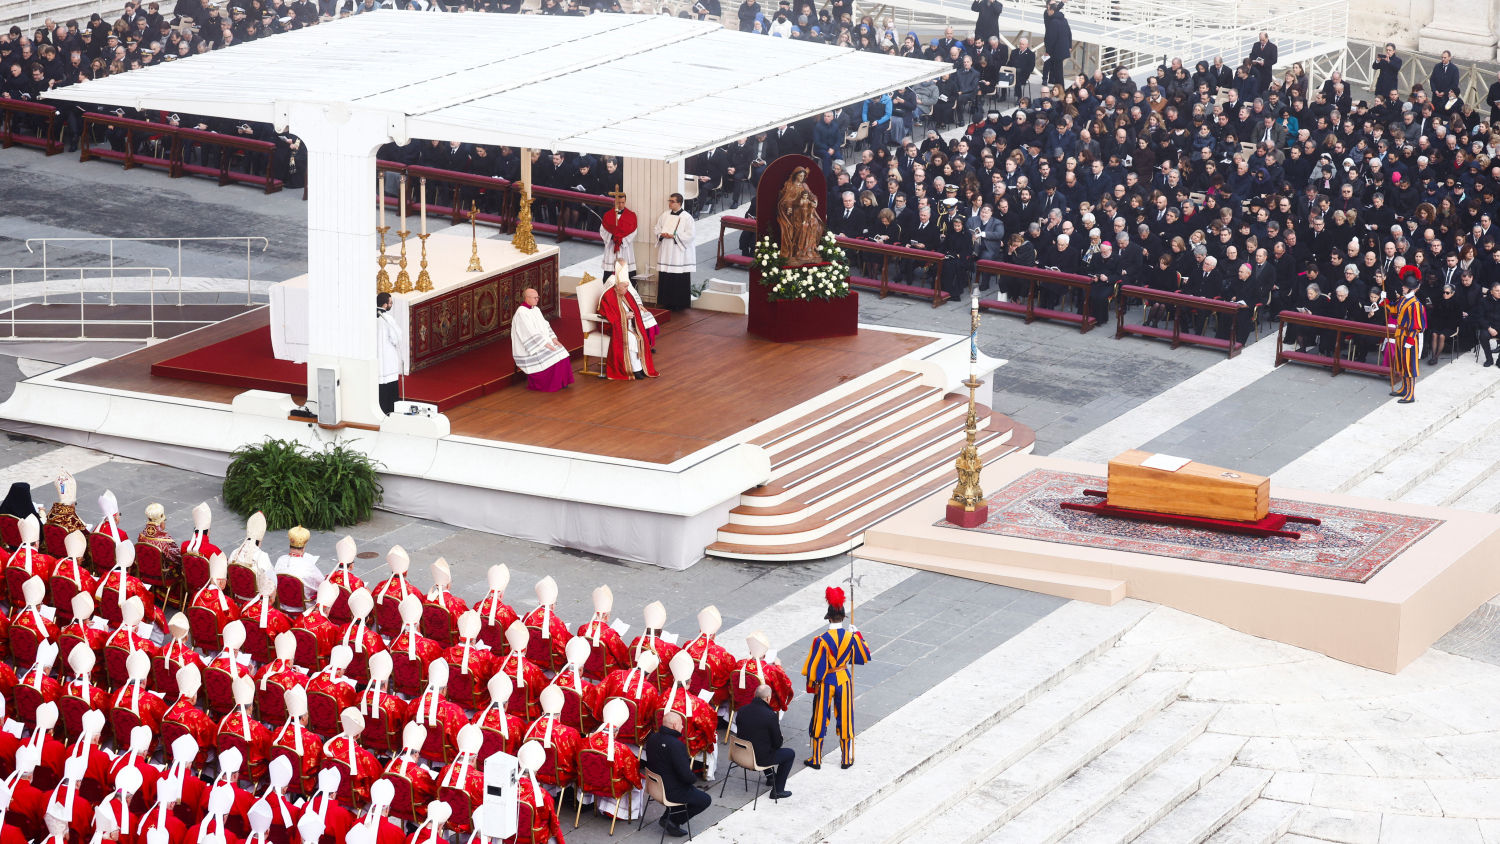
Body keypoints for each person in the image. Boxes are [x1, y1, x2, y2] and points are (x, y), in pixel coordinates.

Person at [802, 586, 869, 770]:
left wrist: (812, 685)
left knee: (819, 717)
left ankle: (816, 758)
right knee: (846, 716)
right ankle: (846, 758)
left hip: (826, 681)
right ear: (843, 617)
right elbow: (863, 657)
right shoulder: (851, 637)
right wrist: (858, 635)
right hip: (844, 679)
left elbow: (814, 667)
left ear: (829, 617)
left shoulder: (821, 639)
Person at [644, 711, 710, 838]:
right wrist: (692, 780)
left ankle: (668, 817)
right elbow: (686, 776)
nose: (682, 727)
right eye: (681, 724)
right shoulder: (676, 745)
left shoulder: (652, 738)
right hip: (670, 791)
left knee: (689, 791)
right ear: (674, 725)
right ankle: (672, 820)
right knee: (704, 799)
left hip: (654, 786)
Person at [734, 684, 794, 799]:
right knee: (789, 754)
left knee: (761, 745)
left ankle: (771, 777)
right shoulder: (770, 716)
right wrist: (779, 736)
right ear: (767, 698)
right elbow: (777, 744)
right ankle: (778, 790)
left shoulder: (741, 711)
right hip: (758, 759)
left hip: (740, 754)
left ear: (755, 695)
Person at [510, 287, 575, 393]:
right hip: (532, 347)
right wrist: (545, 344)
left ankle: (562, 382)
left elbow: (545, 325)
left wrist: (553, 339)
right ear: (527, 298)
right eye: (535, 297)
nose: (537, 299)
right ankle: (549, 384)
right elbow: (528, 333)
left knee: (563, 353)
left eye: (538, 297)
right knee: (553, 357)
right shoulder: (521, 313)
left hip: (544, 341)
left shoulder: (535, 309)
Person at [598, 274, 659, 381]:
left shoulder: (625, 293)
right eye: (625, 286)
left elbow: (633, 307)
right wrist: (624, 316)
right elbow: (608, 316)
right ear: (617, 287)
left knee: (640, 336)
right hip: (614, 327)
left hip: (629, 325)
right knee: (631, 338)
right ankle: (636, 370)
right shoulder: (608, 297)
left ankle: (641, 367)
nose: (627, 289)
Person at [654, 193, 696, 311]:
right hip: (666, 250)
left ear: (679, 203)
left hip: (678, 253)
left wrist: (675, 236)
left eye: (672, 201)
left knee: (678, 276)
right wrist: (660, 234)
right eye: (670, 201)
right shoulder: (664, 215)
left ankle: (679, 304)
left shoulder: (687, 217)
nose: (670, 203)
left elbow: (690, 235)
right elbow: (657, 228)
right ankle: (665, 302)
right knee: (666, 276)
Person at [1391, 266, 1427, 403]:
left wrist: (1410, 340)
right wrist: (1385, 302)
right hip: (1401, 335)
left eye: (1405, 287)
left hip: (1409, 338)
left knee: (1410, 366)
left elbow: (1417, 326)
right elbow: (1395, 312)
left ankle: (1411, 394)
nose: (1403, 288)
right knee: (1402, 363)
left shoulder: (1415, 304)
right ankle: (1404, 388)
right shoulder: (1403, 299)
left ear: (1411, 288)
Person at [273, 525, 323, 608]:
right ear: (303, 548)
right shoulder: (309, 565)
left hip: (281, 605)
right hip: (302, 607)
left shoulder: (280, 560)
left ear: (290, 546)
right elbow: (321, 584)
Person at [375, 292, 407, 416]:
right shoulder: (386, 319)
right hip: (387, 358)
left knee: (380, 388)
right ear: (385, 304)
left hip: (377, 359)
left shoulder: (370, 316)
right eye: (390, 303)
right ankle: (392, 413)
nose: (391, 304)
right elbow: (396, 338)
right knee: (390, 388)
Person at [600, 187, 636, 280]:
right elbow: (603, 230)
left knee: (625, 274)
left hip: (625, 248)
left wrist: (621, 240)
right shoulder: (608, 215)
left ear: (625, 202)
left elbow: (633, 231)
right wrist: (612, 237)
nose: (620, 205)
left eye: (623, 202)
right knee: (610, 274)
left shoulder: (631, 215)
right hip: (612, 247)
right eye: (618, 202)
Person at [1041, 2, 1070, 86]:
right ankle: (1046, 79)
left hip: (1053, 50)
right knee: (1056, 70)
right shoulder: (1062, 19)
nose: (1047, 11)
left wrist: (1048, 51)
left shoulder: (1053, 21)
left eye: (1048, 9)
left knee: (1057, 72)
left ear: (1051, 10)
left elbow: (1051, 39)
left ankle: (1059, 88)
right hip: (1060, 50)